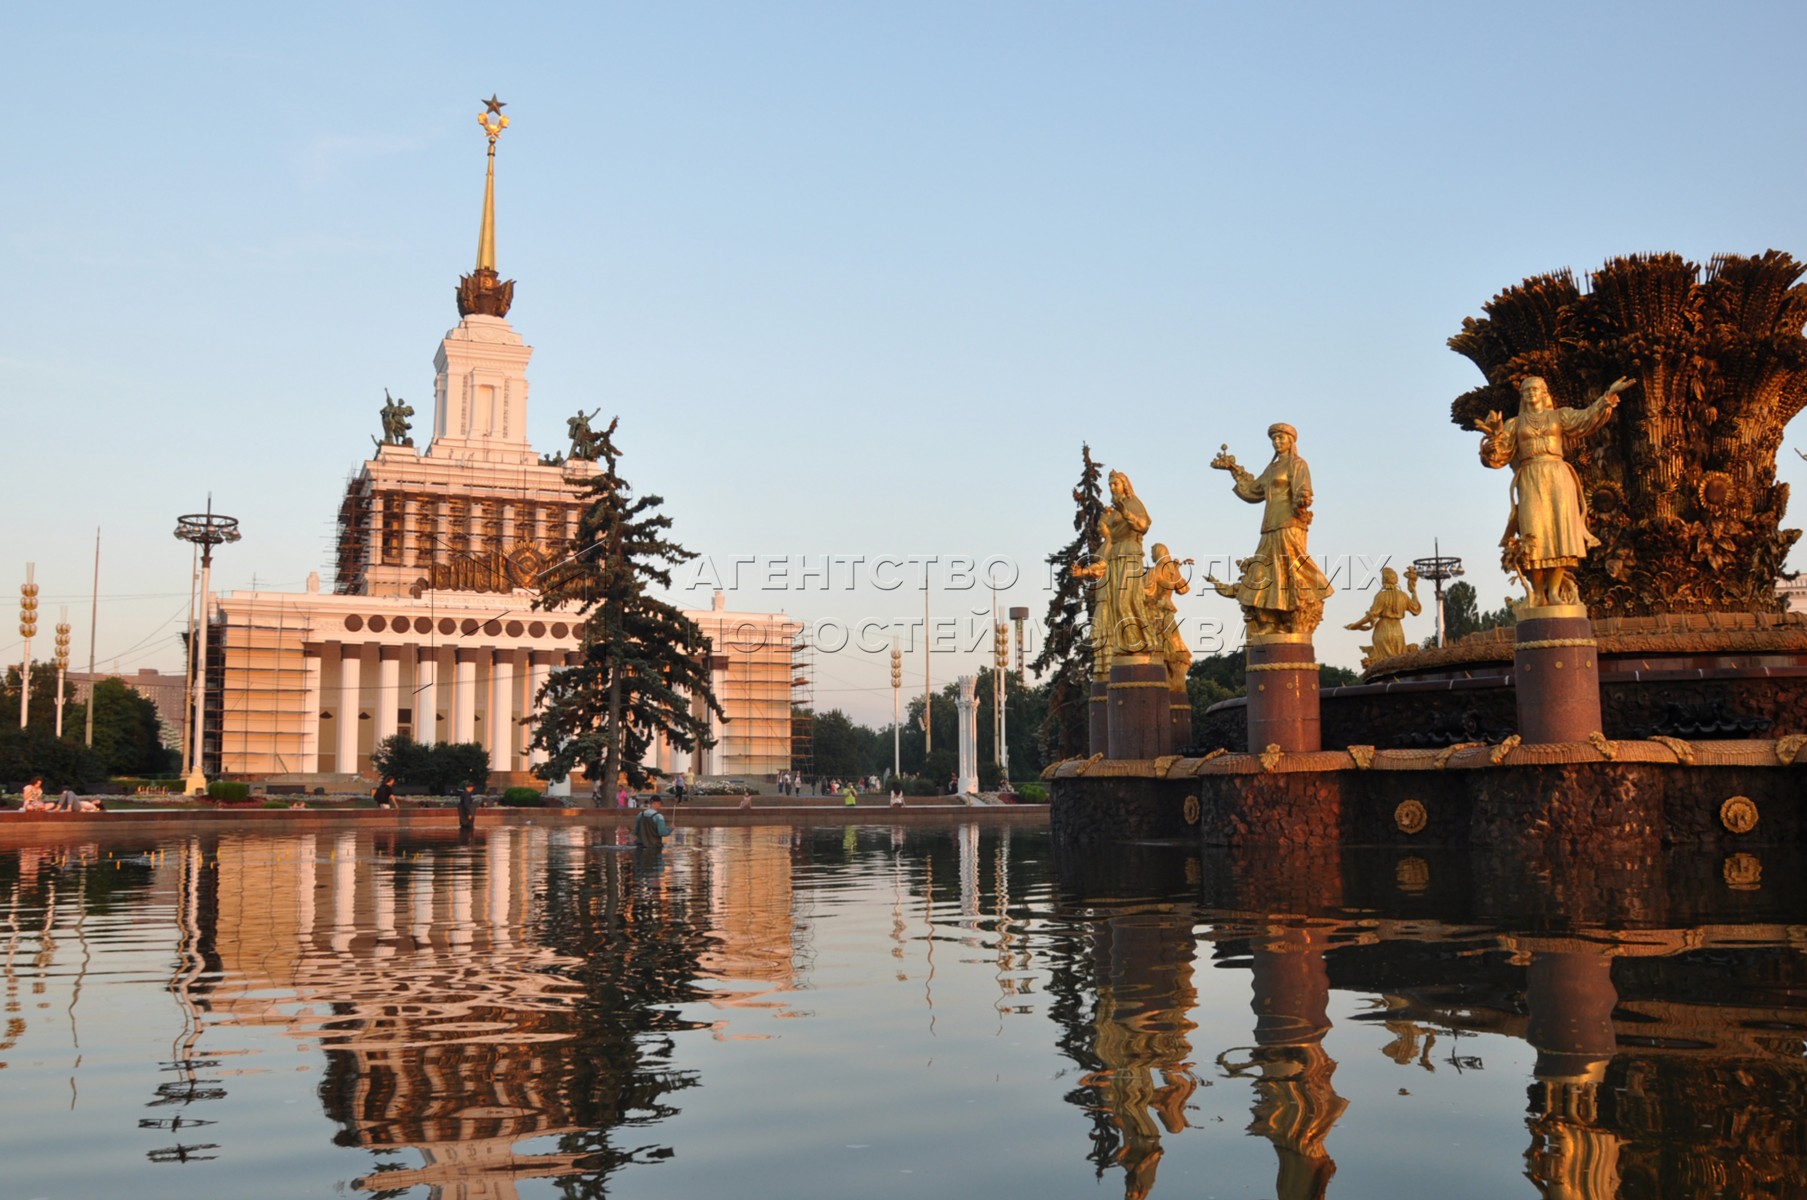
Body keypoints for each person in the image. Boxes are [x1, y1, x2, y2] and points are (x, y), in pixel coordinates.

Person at [1477, 375, 1632, 608]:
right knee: (1533, 534)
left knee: (1560, 533)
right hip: (1530, 476)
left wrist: (1607, 395)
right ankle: (1538, 593)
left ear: (1544, 393)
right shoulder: (1515, 423)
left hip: (1558, 475)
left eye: (1535, 389)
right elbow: (1500, 455)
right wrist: (1493, 440)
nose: (1531, 393)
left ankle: (1555, 592)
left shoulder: (1559, 416)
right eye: (1526, 390)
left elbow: (1585, 418)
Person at [1210, 423, 1333, 636]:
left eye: (1281, 438)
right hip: (1269, 525)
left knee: (1291, 568)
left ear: (1291, 441)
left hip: (1290, 524)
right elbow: (1253, 491)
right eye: (1274, 439)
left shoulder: (1297, 464)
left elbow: (1303, 489)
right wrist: (1233, 469)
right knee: (1265, 571)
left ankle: (1300, 607)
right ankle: (1270, 619)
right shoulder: (1272, 468)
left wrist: (1302, 499)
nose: (1277, 442)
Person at [1093, 470, 1157, 663]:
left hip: (1130, 552)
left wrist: (1124, 512)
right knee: (1116, 605)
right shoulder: (1115, 508)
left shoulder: (1132, 503)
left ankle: (1142, 642)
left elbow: (1143, 526)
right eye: (1110, 485)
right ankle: (1126, 645)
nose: (1112, 488)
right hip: (1116, 556)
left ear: (1125, 485)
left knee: (1126, 600)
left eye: (1115, 484)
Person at [1346, 565, 1423, 666]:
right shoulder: (1403, 596)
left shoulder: (1381, 596)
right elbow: (1416, 609)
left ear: (1384, 580)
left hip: (1383, 631)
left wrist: (1354, 625)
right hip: (1398, 631)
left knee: (1383, 663)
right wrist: (1413, 591)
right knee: (1398, 661)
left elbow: (1370, 616)